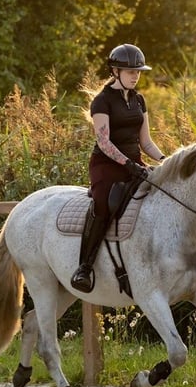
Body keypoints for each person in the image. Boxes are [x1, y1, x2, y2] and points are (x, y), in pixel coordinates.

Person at [70, 43, 167, 293]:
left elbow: (146, 141)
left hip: (136, 164)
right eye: (129, 71)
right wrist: (128, 164)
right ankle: (85, 267)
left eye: (138, 71)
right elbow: (104, 142)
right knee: (103, 203)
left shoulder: (139, 100)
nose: (135, 75)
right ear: (115, 71)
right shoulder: (102, 101)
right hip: (107, 165)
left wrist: (166, 162)